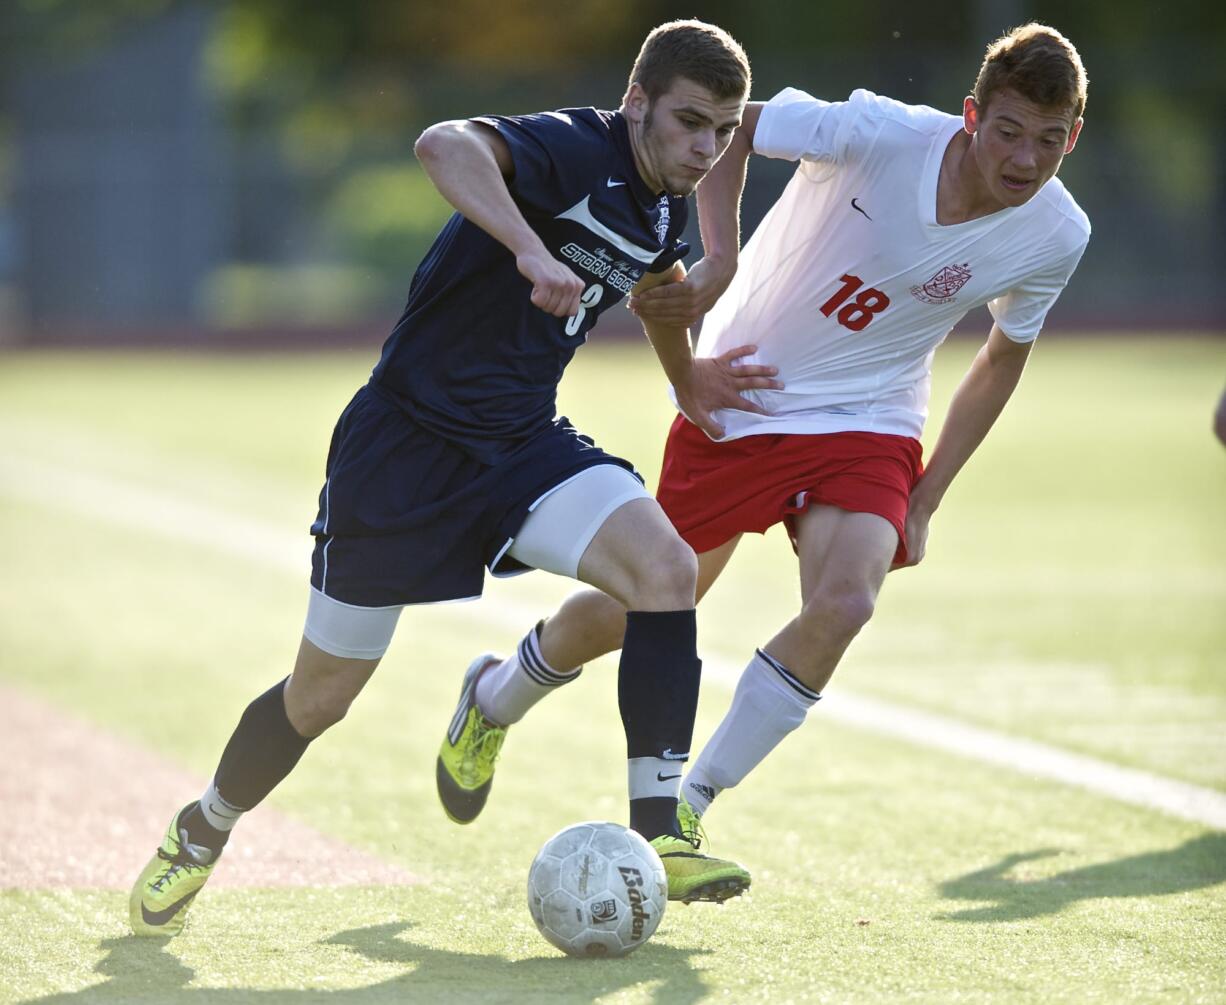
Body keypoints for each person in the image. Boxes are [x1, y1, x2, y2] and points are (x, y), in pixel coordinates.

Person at [129, 19, 777, 937]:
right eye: (688, 123)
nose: (705, 148)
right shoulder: (576, 146)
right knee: (322, 696)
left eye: (721, 129)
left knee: (666, 569)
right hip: (401, 451)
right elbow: (444, 144)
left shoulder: (667, 199)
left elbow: (657, 284)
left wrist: (688, 376)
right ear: (637, 104)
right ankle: (203, 827)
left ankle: (660, 830)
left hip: (521, 443)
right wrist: (525, 246)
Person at [449, 23, 1090, 844]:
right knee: (640, 604)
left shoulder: (1058, 235)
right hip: (744, 390)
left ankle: (688, 808)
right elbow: (741, 123)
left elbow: (1002, 357)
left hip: (871, 419)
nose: (1025, 160)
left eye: (1048, 141)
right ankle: (495, 695)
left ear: (1072, 137)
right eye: (1008, 131)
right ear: (971, 116)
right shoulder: (883, 133)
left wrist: (926, 496)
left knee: (847, 601)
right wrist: (719, 259)